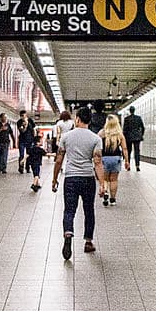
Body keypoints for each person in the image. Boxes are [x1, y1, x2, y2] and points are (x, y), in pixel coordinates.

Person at [53, 106, 104, 260]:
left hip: (70, 179)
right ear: (90, 120)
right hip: (88, 178)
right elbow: (98, 162)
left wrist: (54, 179)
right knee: (89, 210)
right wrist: (102, 183)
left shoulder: (66, 137)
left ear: (77, 119)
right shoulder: (96, 139)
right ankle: (88, 242)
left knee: (69, 210)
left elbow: (59, 160)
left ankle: (68, 232)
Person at [98, 114, 128, 206]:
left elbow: (97, 147)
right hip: (116, 158)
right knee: (114, 180)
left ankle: (106, 192)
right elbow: (124, 148)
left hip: (104, 158)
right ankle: (113, 199)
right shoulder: (119, 134)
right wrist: (127, 161)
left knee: (106, 179)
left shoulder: (101, 133)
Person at [123, 106, 146, 172]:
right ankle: (137, 166)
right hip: (137, 137)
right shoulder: (138, 118)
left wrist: (124, 137)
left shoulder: (126, 119)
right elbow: (143, 127)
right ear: (134, 110)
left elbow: (125, 129)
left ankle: (128, 166)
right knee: (137, 151)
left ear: (130, 111)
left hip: (129, 137)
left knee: (129, 152)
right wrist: (141, 135)